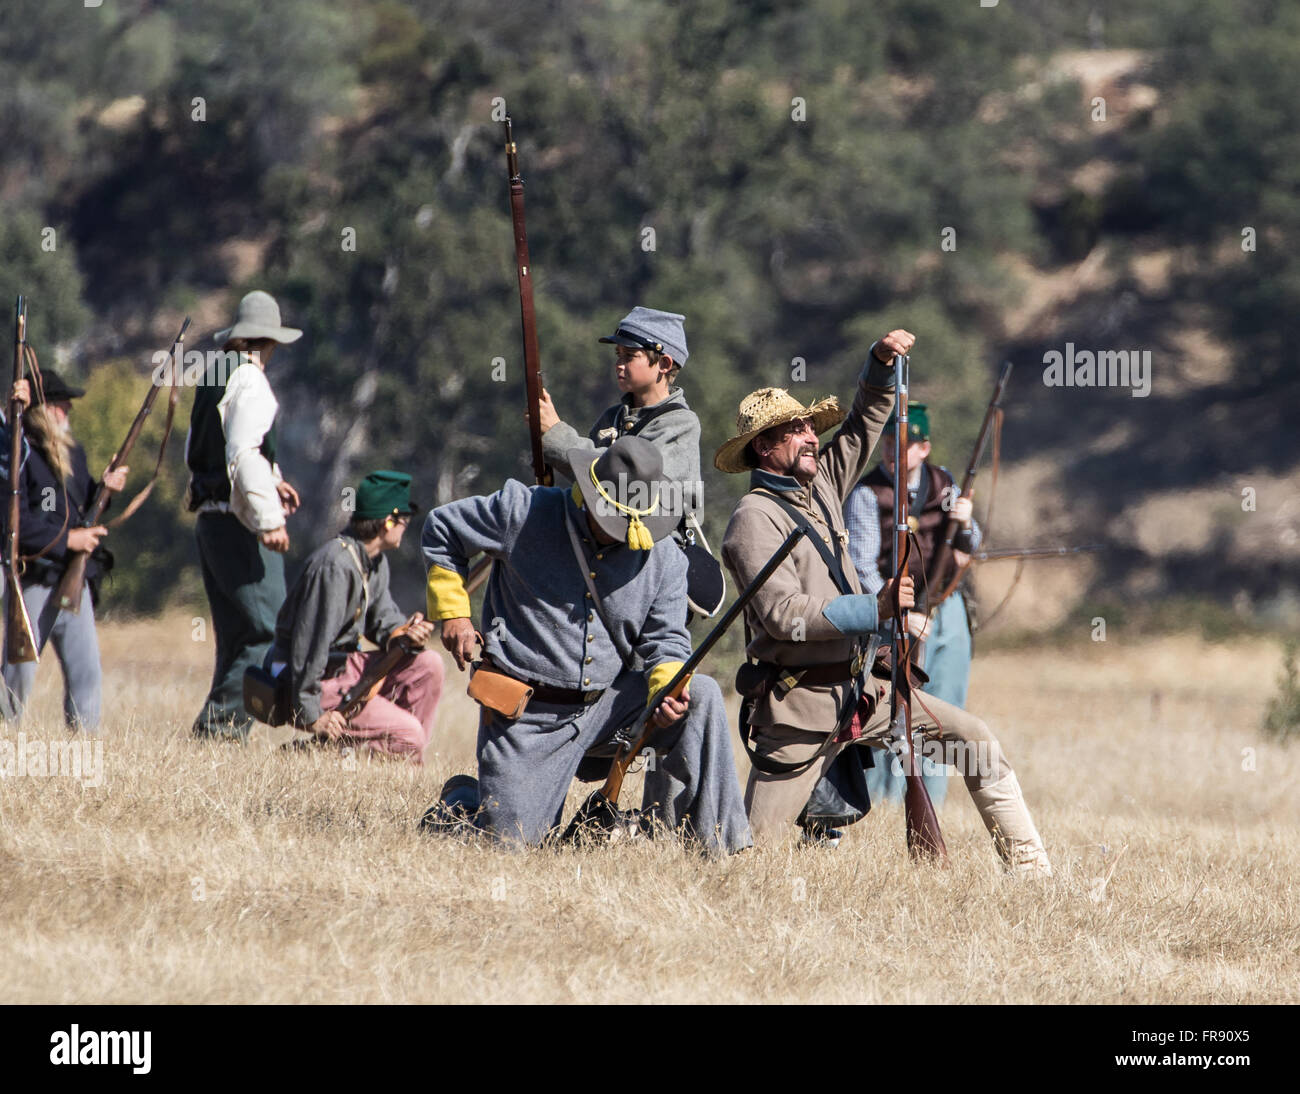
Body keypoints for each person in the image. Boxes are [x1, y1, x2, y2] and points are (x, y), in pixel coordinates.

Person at [716, 330, 1050, 874]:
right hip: (801, 709)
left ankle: (1033, 873)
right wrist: (877, 608)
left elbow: (865, 424)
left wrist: (879, 364)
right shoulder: (753, 519)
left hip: (863, 693)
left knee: (976, 741)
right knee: (751, 858)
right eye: (793, 430)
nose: (808, 436)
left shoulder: (820, 483)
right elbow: (782, 617)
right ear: (763, 447)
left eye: (807, 426)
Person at [420, 436, 750, 855]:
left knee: (699, 693)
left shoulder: (664, 556)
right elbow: (442, 528)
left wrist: (667, 689)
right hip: (528, 715)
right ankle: (465, 800)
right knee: (509, 847)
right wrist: (454, 613)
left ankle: (722, 849)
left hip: (608, 705)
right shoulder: (523, 510)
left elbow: (666, 640)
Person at [537, 307, 721, 617]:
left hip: (651, 562)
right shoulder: (614, 417)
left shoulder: (680, 424)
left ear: (663, 363)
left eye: (628, 356)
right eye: (617, 356)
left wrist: (557, 436)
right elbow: (590, 486)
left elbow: (628, 482)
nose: (618, 365)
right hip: (605, 551)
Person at [843, 403, 981, 807]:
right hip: (893, 619)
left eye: (902, 444)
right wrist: (899, 611)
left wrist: (967, 520)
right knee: (893, 709)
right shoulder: (867, 494)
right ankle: (886, 803)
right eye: (887, 442)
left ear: (924, 448)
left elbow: (969, 545)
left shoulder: (945, 484)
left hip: (947, 609)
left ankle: (931, 805)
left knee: (947, 710)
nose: (892, 451)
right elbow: (863, 568)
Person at [264, 471, 443, 763]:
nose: (405, 529)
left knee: (428, 665)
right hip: (308, 678)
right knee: (409, 735)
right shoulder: (336, 566)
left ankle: (403, 755)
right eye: (403, 522)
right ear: (388, 522)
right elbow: (310, 646)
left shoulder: (373, 561)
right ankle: (323, 755)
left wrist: (403, 632)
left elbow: (381, 618)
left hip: (341, 666)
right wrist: (311, 715)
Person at [186, 290, 302, 740]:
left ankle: (216, 743)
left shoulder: (214, 373)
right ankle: (217, 732)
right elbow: (243, 453)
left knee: (237, 638)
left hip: (212, 520)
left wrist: (272, 480)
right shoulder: (251, 380)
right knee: (270, 632)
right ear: (267, 342)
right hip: (239, 525)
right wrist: (269, 519)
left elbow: (206, 452)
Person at [1, 370, 127, 732]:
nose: (68, 408)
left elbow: (80, 508)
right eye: (59, 404)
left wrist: (106, 488)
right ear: (42, 410)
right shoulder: (17, 455)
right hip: (35, 578)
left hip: (73, 578)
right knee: (17, 675)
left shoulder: (74, 454)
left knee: (87, 675)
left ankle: (85, 753)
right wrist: (68, 541)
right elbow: (17, 524)